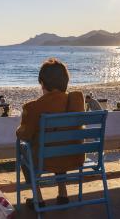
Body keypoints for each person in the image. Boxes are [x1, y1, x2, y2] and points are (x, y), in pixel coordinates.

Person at [16, 58, 85, 208]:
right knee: (62, 143)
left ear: (42, 82)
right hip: (74, 156)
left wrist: (19, 130)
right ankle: (63, 192)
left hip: (45, 160)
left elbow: (25, 135)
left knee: (22, 150)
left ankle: (38, 197)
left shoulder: (34, 107)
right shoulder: (76, 103)